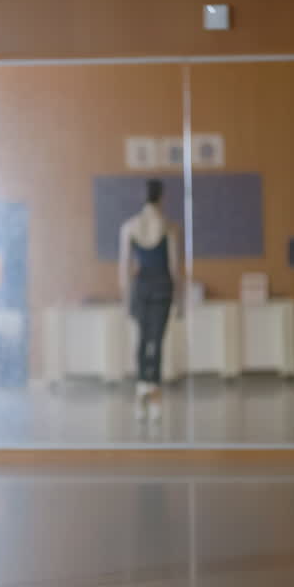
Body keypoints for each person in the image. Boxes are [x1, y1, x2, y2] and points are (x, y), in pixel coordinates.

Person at [118, 179, 180, 421]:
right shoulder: (169, 227)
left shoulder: (129, 227)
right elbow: (174, 268)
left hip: (141, 289)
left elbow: (124, 270)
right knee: (156, 342)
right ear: (161, 197)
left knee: (143, 340)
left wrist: (126, 300)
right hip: (162, 287)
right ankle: (153, 397)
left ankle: (141, 393)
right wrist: (180, 299)